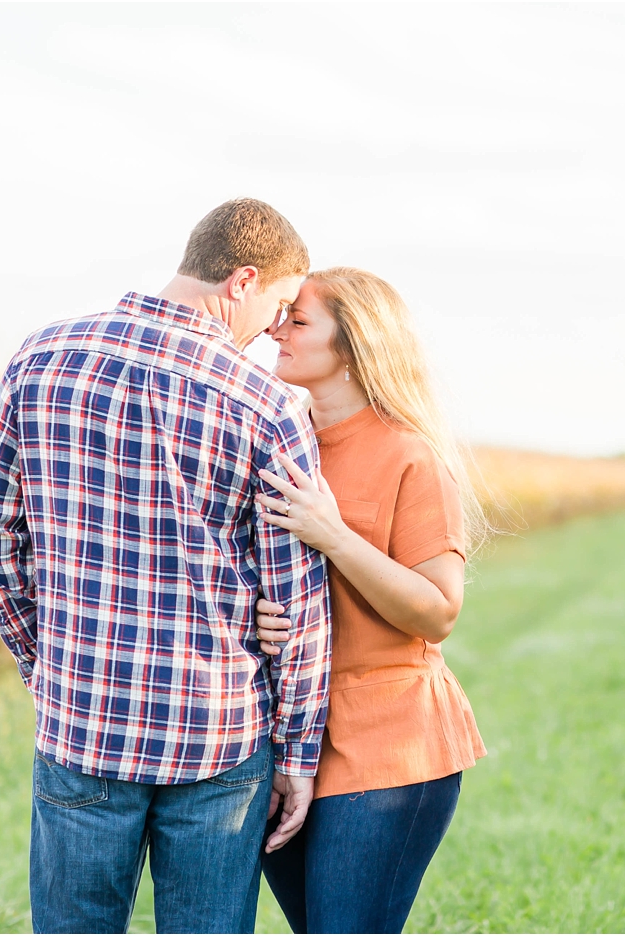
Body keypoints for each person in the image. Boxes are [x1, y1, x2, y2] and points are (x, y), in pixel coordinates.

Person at [0, 199, 333, 934]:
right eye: (279, 305)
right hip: (219, 739)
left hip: (82, 721)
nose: (269, 331)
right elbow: (297, 604)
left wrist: (46, 662)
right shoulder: (266, 406)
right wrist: (298, 752)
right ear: (242, 280)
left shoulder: (40, 357)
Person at [252, 267, 488, 934]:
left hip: (389, 744)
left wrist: (332, 535)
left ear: (353, 346)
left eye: (298, 321)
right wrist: (257, 615)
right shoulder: (279, 443)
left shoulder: (411, 456)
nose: (277, 329)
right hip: (289, 738)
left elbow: (437, 609)